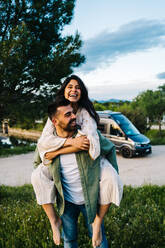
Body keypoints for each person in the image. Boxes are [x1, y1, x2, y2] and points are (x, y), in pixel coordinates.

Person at [32, 76, 123, 247]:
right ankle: (54, 221)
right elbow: (43, 149)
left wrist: (75, 142)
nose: (74, 90)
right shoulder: (54, 119)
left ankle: (97, 222)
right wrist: (69, 144)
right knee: (37, 176)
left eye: (78, 87)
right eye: (70, 86)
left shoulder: (85, 115)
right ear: (55, 121)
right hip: (67, 200)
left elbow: (93, 145)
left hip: (89, 196)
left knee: (111, 178)